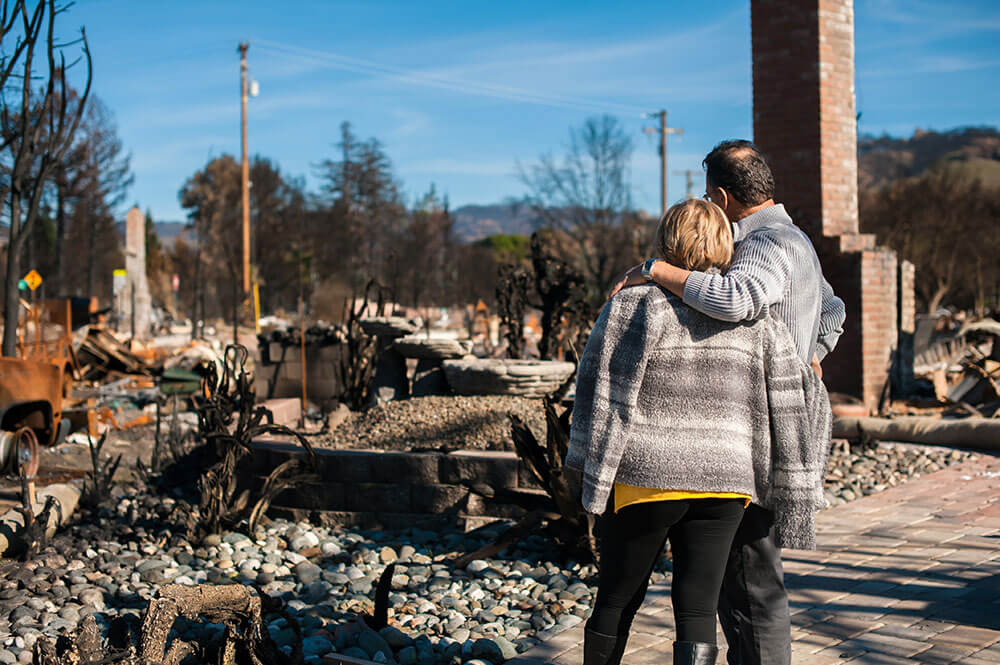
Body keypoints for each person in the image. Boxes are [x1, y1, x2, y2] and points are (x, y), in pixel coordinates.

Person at [610, 140, 846, 665]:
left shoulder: (763, 244)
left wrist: (656, 270)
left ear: (720, 194)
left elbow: (736, 299)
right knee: (746, 570)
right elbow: (833, 307)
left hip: (763, 419)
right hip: (775, 412)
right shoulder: (796, 239)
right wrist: (812, 353)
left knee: (749, 575)